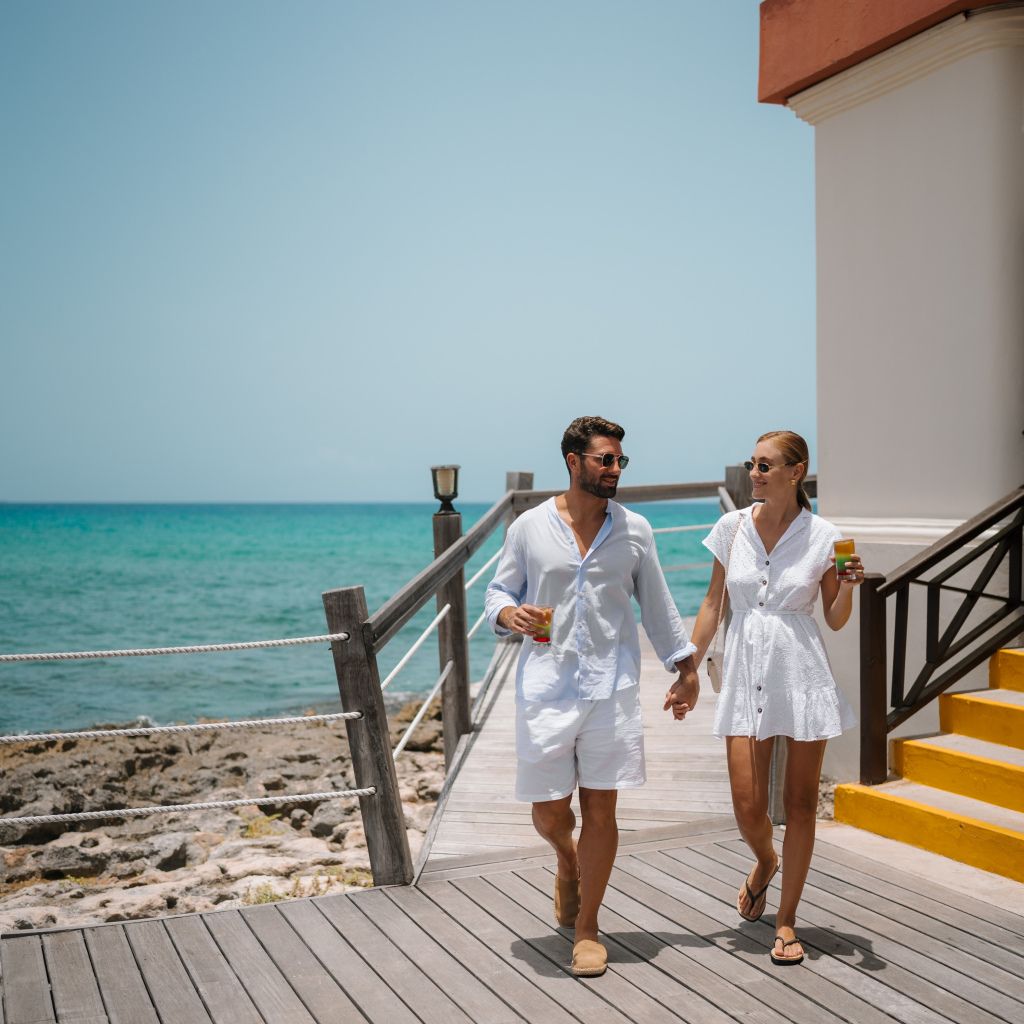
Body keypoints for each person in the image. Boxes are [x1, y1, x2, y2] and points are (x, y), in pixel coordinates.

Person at [485, 415, 699, 978]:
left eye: (620, 460)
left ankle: (588, 929)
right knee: (550, 812)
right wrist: (510, 614)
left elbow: (658, 605)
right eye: (605, 459)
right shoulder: (529, 528)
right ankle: (566, 861)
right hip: (546, 687)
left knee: (602, 811)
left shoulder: (636, 530)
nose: (615, 469)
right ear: (573, 461)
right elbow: (498, 591)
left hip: (613, 688)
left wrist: (685, 669)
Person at [667, 430, 861, 966]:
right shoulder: (731, 528)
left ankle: (786, 919)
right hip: (744, 670)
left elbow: (835, 619)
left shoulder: (827, 537)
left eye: (765, 465)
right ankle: (765, 861)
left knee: (800, 805)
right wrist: (688, 667)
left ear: (796, 472)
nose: (754, 473)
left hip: (802, 675)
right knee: (748, 804)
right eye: (752, 464)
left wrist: (848, 585)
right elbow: (713, 604)